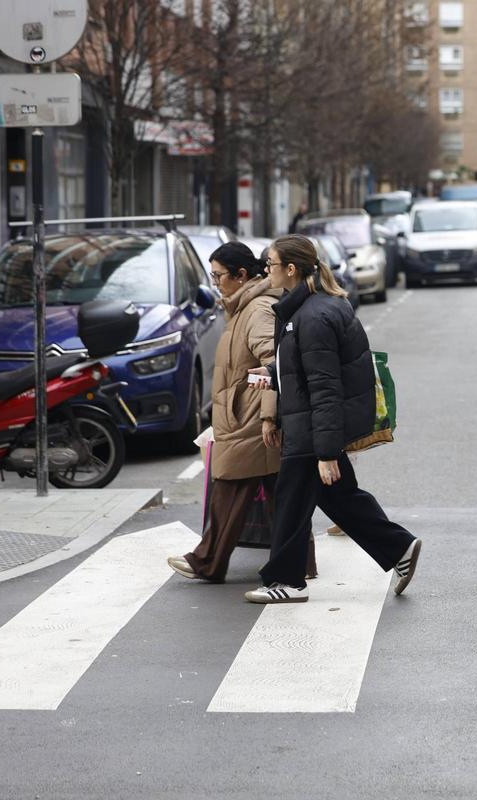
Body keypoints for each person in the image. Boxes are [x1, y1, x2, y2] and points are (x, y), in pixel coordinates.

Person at [243, 235, 422, 604]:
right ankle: (399, 547)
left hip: (312, 428)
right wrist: (272, 372)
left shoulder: (312, 316)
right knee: (340, 497)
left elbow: (325, 387)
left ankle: (286, 580)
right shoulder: (309, 309)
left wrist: (325, 451)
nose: (266, 271)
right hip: (310, 422)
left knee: (292, 503)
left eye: (271, 265)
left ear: (290, 269)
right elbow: (308, 369)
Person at [167, 242, 316, 583]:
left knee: (229, 490)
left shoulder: (258, 310)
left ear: (242, 275)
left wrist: (267, 417)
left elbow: (275, 365)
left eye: (219, 275)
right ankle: (301, 563)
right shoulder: (241, 307)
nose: (215, 282)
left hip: (250, 420)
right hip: (245, 417)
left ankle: (207, 561)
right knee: (284, 498)